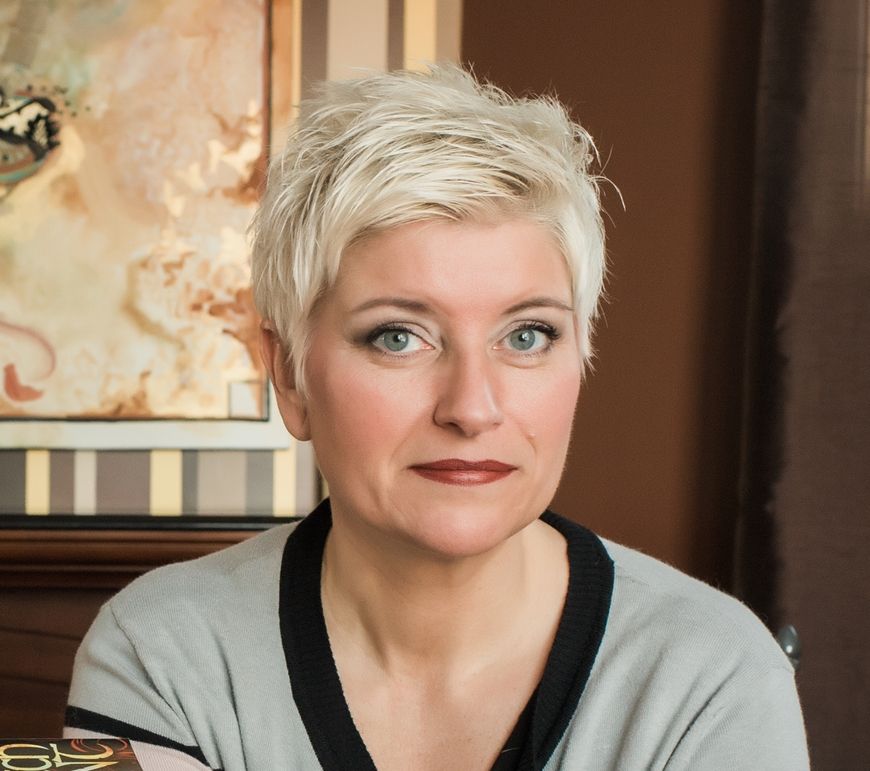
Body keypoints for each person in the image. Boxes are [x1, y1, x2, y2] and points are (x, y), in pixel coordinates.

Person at [64, 65, 809, 770]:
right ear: (290, 375)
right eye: (398, 336)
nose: (472, 408)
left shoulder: (714, 676)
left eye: (527, 335)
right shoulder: (153, 653)